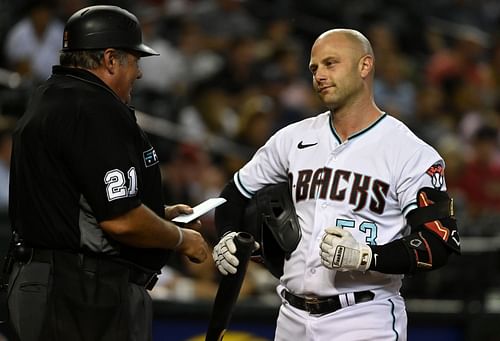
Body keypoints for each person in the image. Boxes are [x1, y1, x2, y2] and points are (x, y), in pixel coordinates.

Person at [212, 28, 461, 341]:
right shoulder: (292, 139)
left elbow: (438, 242)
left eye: (331, 64)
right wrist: (228, 235)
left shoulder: (410, 152)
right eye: (315, 68)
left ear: (364, 66)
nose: (320, 75)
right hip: (291, 316)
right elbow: (233, 195)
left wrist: (367, 256)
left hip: (364, 318)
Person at [6, 5, 210, 341]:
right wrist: (180, 238)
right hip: (80, 294)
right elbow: (121, 221)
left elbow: (78, 203)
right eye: (135, 60)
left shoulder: (49, 96)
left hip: (44, 282)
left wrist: (157, 215)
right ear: (111, 59)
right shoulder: (95, 108)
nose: (140, 73)